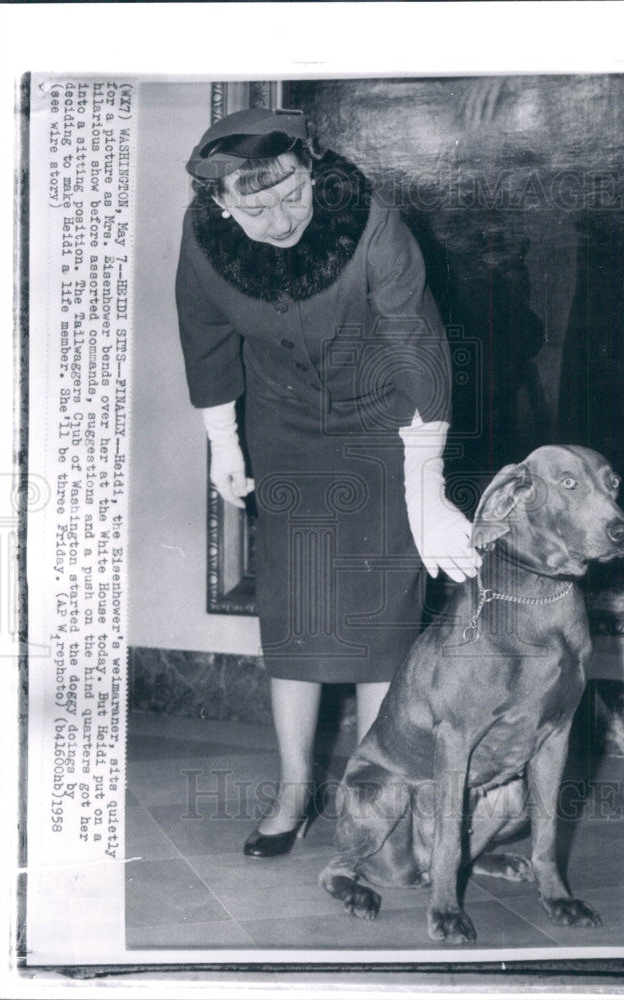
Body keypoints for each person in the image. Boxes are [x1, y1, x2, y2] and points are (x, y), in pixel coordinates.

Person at [176, 108, 480, 858]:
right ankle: (292, 790)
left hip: (386, 422)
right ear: (221, 204)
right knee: (297, 609)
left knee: (380, 617)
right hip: (286, 430)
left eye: (292, 196)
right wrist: (222, 439)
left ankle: (368, 798)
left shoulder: (369, 223)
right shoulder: (205, 237)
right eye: (255, 207)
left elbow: (416, 342)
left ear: (310, 170)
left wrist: (426, 481)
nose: (279, 220)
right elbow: (204, 332)